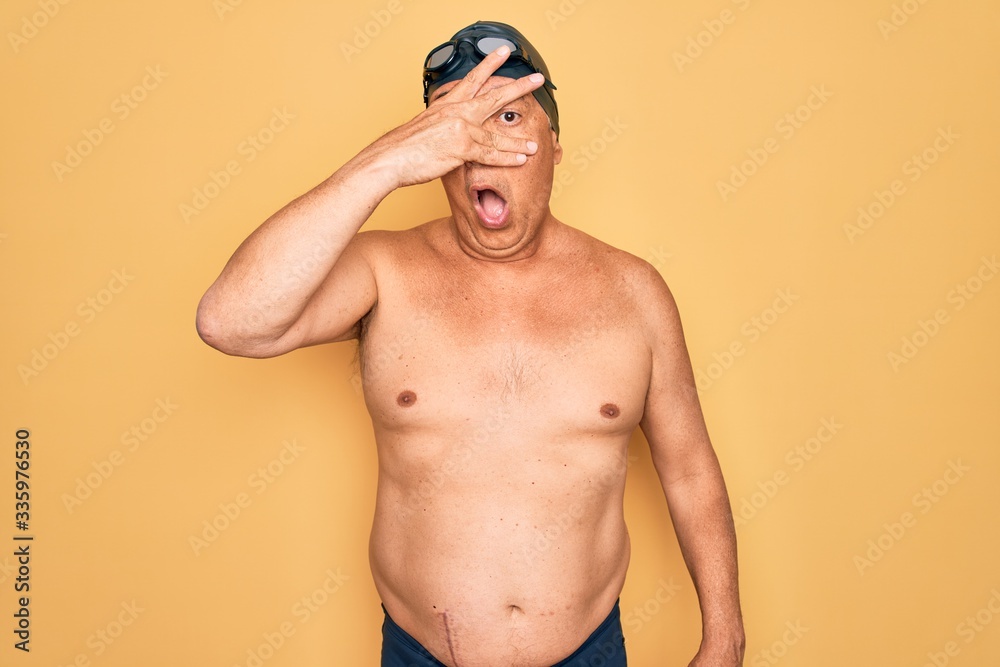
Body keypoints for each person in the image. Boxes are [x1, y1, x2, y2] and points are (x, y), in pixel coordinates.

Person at [196, 19, 745, 667]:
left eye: (509, 116)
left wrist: (724, 635)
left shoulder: (635, 291)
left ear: (556, 144)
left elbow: (688, 469)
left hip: (587, 650)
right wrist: (392, 158)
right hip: (421, 653)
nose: (482, 144)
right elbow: (231, 320)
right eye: (460, 123)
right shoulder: (384, 273)